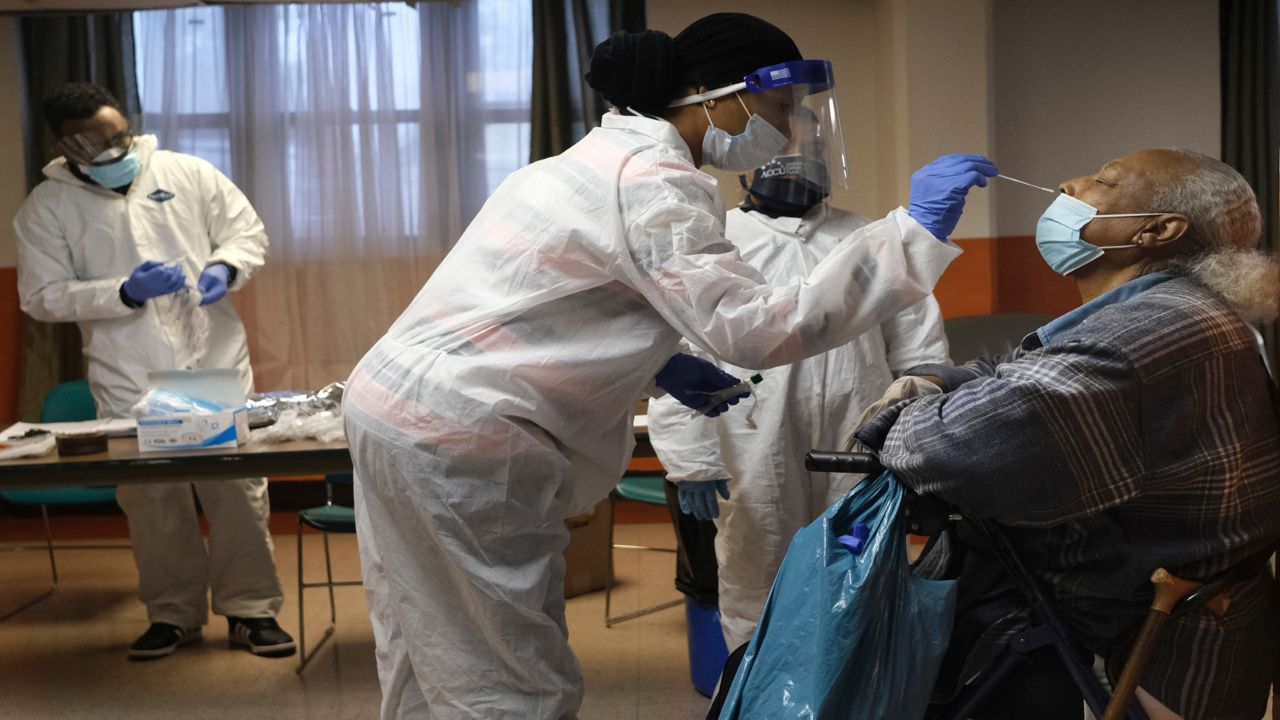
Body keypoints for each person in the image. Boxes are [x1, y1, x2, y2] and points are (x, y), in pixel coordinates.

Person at [343, 13, 995, 719]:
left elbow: (552, 305)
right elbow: (760, 328)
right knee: (505, 678)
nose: (783, 133)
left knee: (420, 639)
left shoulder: (586, 161)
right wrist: (913, 234)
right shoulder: (658, 180)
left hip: (395, 411)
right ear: (713, 93)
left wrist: (663, 364)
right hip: (468, 436)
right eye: (777, 109)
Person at [855, 149, 1280, 720]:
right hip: (1196, 612)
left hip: (1145, 646)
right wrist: (938, 379)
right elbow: (1020, 372)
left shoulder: (1138, 335)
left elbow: (948, 449)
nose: (1068, 181)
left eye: (1103, 181)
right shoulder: (1180, 310)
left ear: (1158, 229)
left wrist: (897, 413)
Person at [647, 116, 950, 650]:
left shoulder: (871, 241)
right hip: (749, 440)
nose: (795, 156)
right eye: (781, 143)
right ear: (746, 159)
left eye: (810, 144)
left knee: (856, 568)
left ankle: (846, 689)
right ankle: (758, 691)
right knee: (755, 572)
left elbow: (920, 353)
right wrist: (691, 460)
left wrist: (911, 440)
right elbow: (677, 351)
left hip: (859, 438)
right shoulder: (715, 241)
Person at [14, 83, 294, 660]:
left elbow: (249, 233)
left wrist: (225, 265)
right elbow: (41, 297)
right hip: (130, 372)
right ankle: (173, 615)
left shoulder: (186, 171)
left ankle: (250, 611)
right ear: (65, 145)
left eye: (119, 134)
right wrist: (121, 291)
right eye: (95, 142)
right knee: (152, 498)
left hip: (211, 360)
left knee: (236, 488)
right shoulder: (47, 207)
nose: (115, 148)